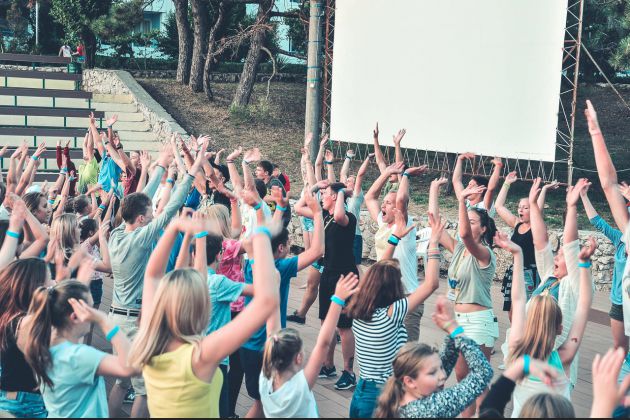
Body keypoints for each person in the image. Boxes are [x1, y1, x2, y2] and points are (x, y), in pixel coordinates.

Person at [127, 214, 281, 418]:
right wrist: (260, 235)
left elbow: (153, 275)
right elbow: (267, 300)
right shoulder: (201, 356)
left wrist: (180, 229)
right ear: (202, 309)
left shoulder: (150, 342)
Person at [106, 143, 205, 418]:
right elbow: (172, 207)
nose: (153, 215)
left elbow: (139, 200)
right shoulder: (141, 237)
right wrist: (194, 168)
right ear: (141, 219)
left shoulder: (117, 233)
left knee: (121, 382)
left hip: (115, 317)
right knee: (144, 389)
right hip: (135, 323)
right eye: (149, 214)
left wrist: (161, 164)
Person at [236, 187, 324, 417]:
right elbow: (317, 251)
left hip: (248, 344)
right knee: (261, 405)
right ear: (282, 248)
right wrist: (317, 214)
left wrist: (281, 208)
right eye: (288, 242)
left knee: (261, 403)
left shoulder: (252, 263)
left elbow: (264, 237)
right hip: (264, 346)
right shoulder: (280, 268)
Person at [346, 210, 442, 418]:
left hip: (361, 392)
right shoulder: (391, 314)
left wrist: (395, 237)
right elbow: (431, 284)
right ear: (393, 287)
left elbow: (377, 271)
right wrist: (433, 242)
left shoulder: (357, 307)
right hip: (382, 395)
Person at [495, 227, 594, 417]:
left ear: (527, 323)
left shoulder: (516, 352)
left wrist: (517, 254)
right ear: (560, 328)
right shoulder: (563, 358)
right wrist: (584, 263)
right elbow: (584, 304)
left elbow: (518, 299)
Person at [19, 280, 136, 418]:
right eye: (91, 310)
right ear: (75, 317)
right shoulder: (79, 356)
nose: (94, 316)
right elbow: (131, 366)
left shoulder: (41, 347)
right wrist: (104, 320)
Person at [433, 182, 498, 416]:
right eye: (466, 220)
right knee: (462, 377)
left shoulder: (484, 253)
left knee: (477, 380)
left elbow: (463, 234)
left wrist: (461, 199)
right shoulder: (460, 249)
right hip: (459, 319)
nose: (467, 225)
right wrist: (434, 189)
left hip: (479, 321)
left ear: (483, 229)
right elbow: (435, 224)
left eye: (472, 221)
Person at [374, 296, 493, 418]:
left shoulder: (399, 397)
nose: (443, 375)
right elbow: (483, 373)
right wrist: (454, 328)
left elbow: (445, 360)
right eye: (432, 373)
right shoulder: (429, 409)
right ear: (409, 381)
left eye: (440, 368)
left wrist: (450, 327)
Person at [260, 272, 360, 418]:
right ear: (298, 358)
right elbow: (323, 343)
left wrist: (272, 287)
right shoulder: (299, 387)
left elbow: (272, 328)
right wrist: (338, 299)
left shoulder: (265, 380)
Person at [295, 181, 358, 390]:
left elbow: (339, 215)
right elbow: (299, 207)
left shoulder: (348, 218)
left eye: (325, 194)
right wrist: (314, 187)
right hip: (328, 273)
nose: (322, 197)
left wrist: (342, 192)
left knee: (343, 326)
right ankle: (328, 365)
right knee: (326, 322)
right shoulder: (323, 215)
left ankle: (348, 372)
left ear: (335, 197)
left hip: (345, 277)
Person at [365, 161, 426, 342]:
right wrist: (386, 173)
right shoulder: (383, 224)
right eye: (383, 202)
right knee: (387, 348)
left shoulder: (403, 226)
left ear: (397, 210)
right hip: (385, 296)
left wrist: (405, 175)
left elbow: (401, 200)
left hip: (407, 298)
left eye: (388, 203)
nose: (383, 206)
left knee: (407, 353)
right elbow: (370, 197)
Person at [580, 185, 629, 354]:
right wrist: (583, 196)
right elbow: (597, 222)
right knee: (620, 351)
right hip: (618, 302)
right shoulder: (620, 239)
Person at [0, 257, 50, 418]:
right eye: (48, 285)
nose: (53, 286)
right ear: (35, 290)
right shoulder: (24, 324)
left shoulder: (9, 317)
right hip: (25, 406)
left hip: (11, 400)